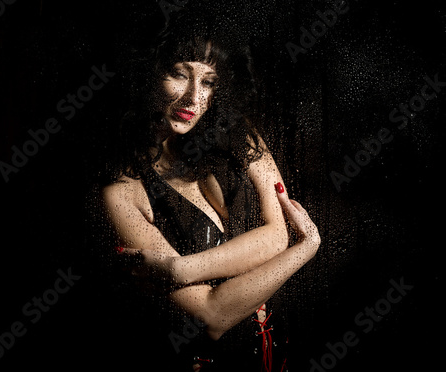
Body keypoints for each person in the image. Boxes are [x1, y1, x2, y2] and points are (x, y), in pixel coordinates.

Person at [88, 7, 320, 372]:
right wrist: (305, 247)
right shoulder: (121, 191)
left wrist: (177, 270)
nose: (194, 97)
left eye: (209, 81)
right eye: (179, 74)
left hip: (277, 355)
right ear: (143, 72)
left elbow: (277, 236)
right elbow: (211, 315)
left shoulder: (240, 137)